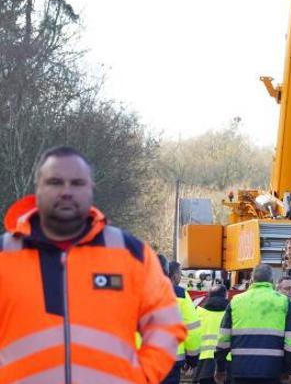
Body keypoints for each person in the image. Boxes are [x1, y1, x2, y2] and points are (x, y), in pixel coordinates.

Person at [0, 146, 186, 382]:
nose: (66, 192)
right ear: (37, 188)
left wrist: (140, 377)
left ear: (91, 189)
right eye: (55, 182)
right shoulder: (4, 256)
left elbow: (166, 324)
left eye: (77, 183)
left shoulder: (131, 253)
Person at [215, 264, 291, 384]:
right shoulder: (284, 302)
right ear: (272, 281)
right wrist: (287, 370)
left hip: (241, 370)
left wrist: (220, 368)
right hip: (272, 370)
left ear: (252, 280)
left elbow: (223, 338)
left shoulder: (236, 301)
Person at [163, 261, 202, 384]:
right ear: (173, 276)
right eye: (180, 274)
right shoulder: (180, 295)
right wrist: (192, 359)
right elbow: (192, 330)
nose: (180, 277)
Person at [194, 285, 229, 384]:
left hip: (203, 364)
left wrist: (189, 361)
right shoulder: (231, 313)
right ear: (226, 295)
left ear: (209, 296)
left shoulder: (199, 313)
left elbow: (192, 337)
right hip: (226, 363)